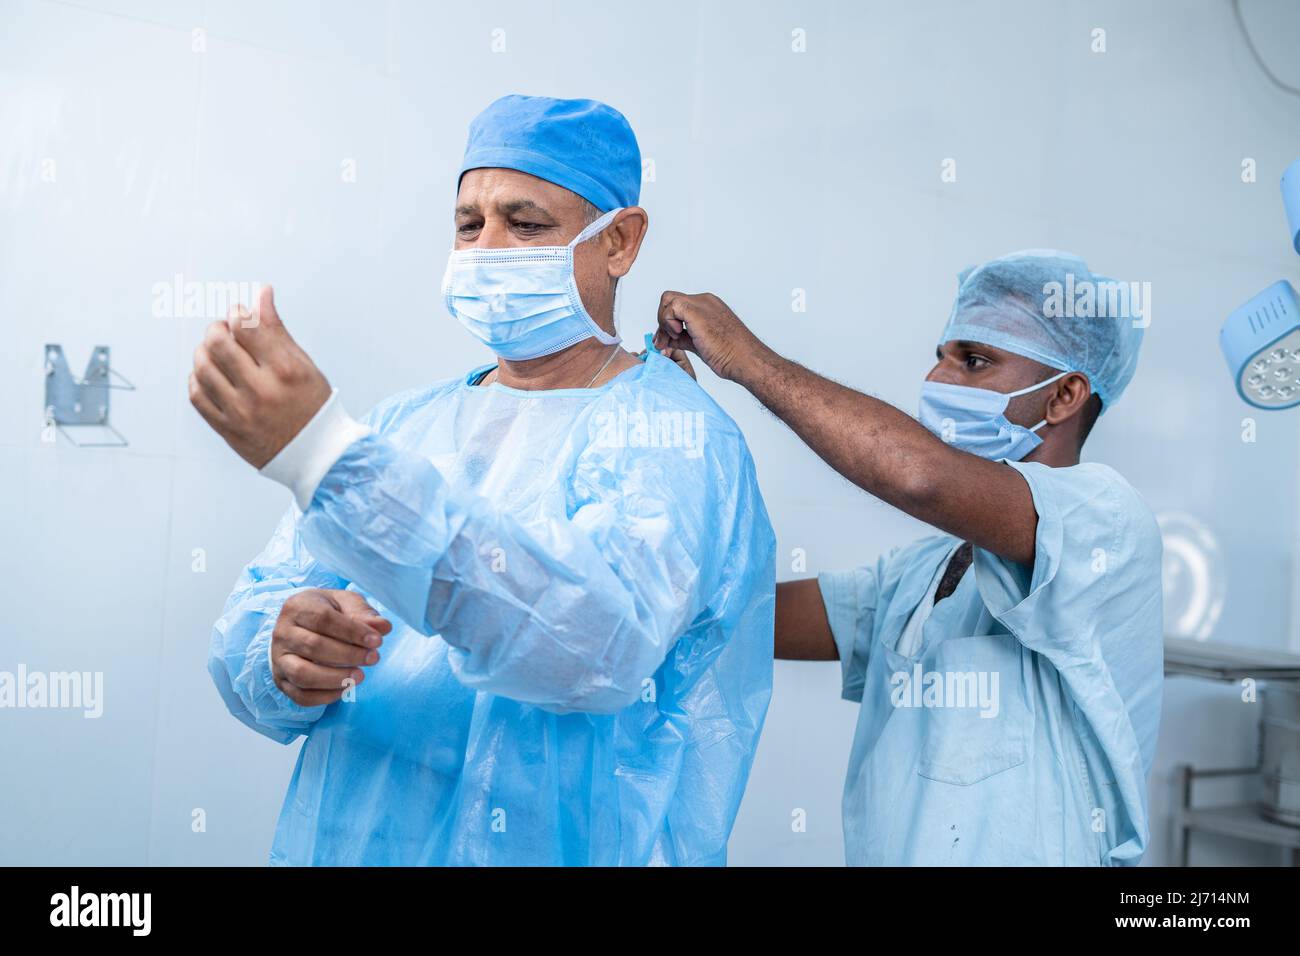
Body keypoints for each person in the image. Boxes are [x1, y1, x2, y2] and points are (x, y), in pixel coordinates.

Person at [192, 94, 776, 866]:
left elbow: (593, 645)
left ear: (621, 241)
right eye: (470, 224)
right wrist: (285, 649)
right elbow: (252, 622)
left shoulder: (674, 437)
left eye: (526, 224)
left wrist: (324, 458)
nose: (489, 248)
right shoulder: (406, 424)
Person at [654, 251, 1163, 865]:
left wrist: (746, 358)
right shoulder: (922, 575)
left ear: (1064, 396)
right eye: (941, 356)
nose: (938, 380)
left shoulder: (1105, 521)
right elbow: (747, 614)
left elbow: (918, 475)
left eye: (974, 361)